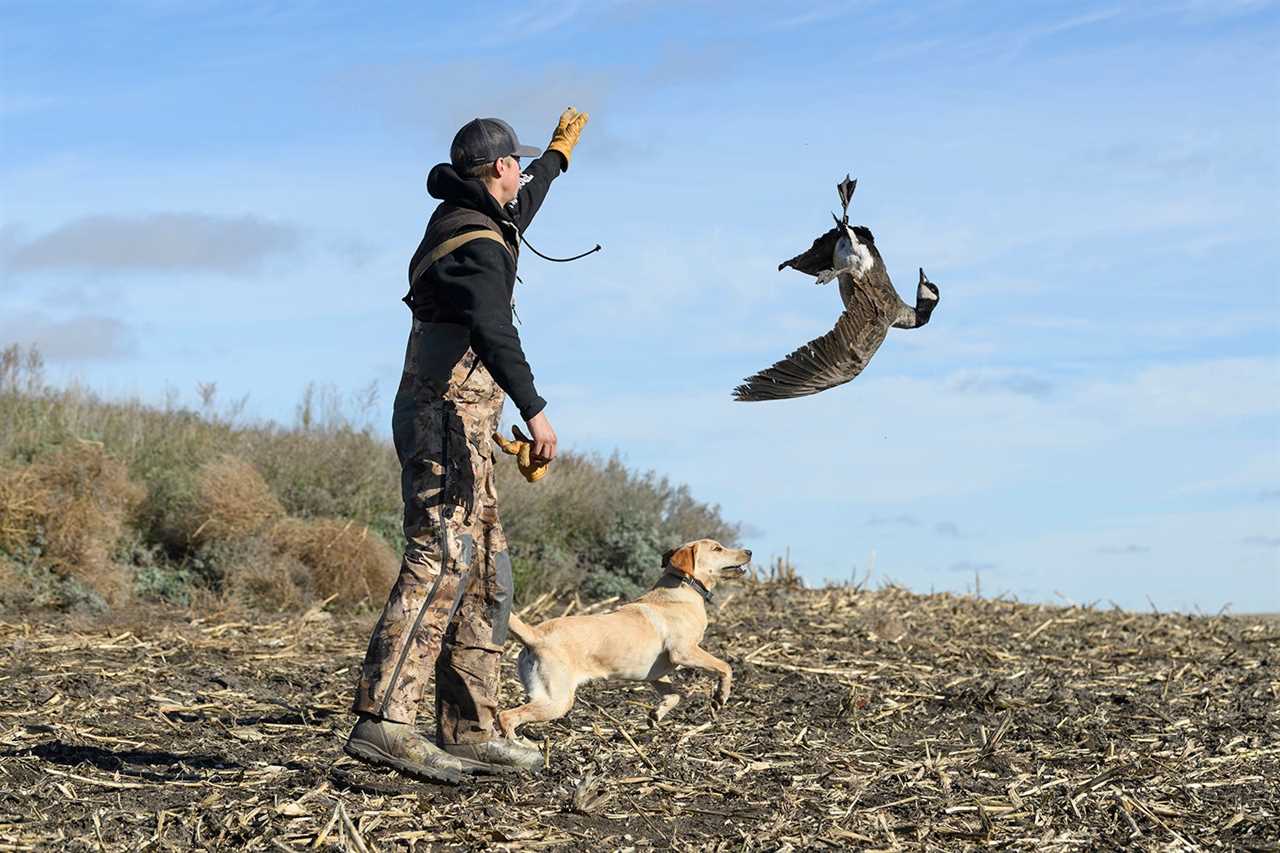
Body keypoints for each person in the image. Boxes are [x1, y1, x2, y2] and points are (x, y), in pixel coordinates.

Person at [345, 108, 588, 782]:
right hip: (442, 420)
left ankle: (471, 728)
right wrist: (536, 410)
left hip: (471, 430)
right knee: (441, 558)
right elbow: (491, 327)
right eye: (521, 164)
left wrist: (560, 158)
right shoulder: (474, 241)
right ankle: (385, 721)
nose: (523, 175)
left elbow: (524, 200)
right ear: (499, 168)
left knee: (486, 576)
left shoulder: (481, 218)